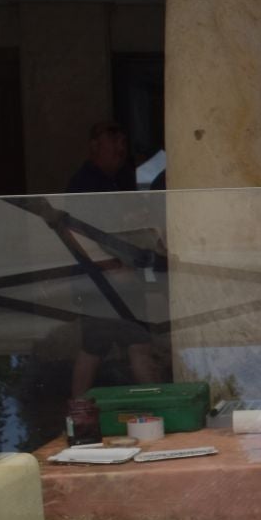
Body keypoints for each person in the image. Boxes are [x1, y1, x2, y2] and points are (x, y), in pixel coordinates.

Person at [66, 120, 160, 396]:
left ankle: (160, 405)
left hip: (117, 280)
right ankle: (78, 413)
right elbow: (74, 232)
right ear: (95, 145)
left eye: (123, 142)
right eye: (113, 141)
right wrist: (111, 266)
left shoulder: (114, 181)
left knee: (129, 345)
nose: (120, 148)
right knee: (102, 347)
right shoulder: (85, 183)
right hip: (102, 281)